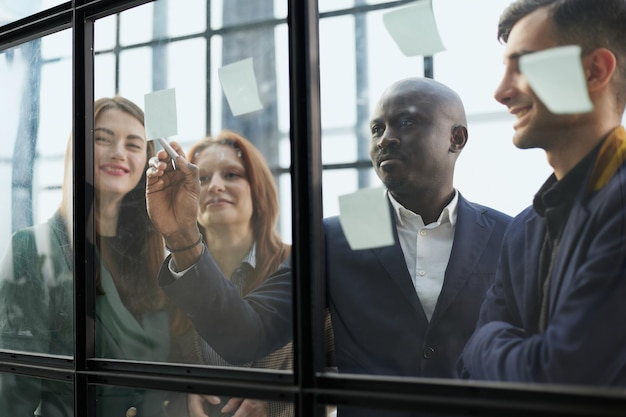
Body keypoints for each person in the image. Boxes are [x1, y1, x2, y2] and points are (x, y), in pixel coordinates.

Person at [146, 77, 510, 416]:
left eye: (408, 123)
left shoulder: (509, 234)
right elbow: (247, 334)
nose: (385, 139)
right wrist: (181, 237)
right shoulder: (334, 238)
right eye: (377, 129)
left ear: (456, 138)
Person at [459, 0, 626, 386]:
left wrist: (483, 341)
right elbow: (466, 380)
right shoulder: (523, 230)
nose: (501, 92)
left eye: (524, 65)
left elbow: (560, 376)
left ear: (594, 71)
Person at [0, 96, 197, 416]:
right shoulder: (33, 249)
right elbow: (12, 399)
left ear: (147, 162)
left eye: (134, 145)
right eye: (103, 139)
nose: (118, 152)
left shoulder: (158, 254)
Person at [149, 131, 294, 417]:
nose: (215, 186)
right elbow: (158, 367)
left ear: (258, 189)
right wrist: (182, 393)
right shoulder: (172, 275)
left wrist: (278, 402)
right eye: (202, 178)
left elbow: (341, 365)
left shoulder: (298, 266)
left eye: (231, 175)